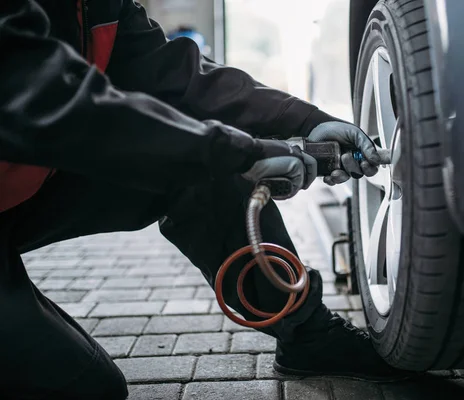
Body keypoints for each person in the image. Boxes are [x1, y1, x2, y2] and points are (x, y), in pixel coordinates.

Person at [0, 1, 407, 398]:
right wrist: (243, 152)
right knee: (84, 387)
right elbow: (52, 103)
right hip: (30, 157)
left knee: (210, 165)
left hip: (21, 192)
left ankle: (307, 336)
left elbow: (182, 77)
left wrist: (307, 121)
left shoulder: (101, 5)